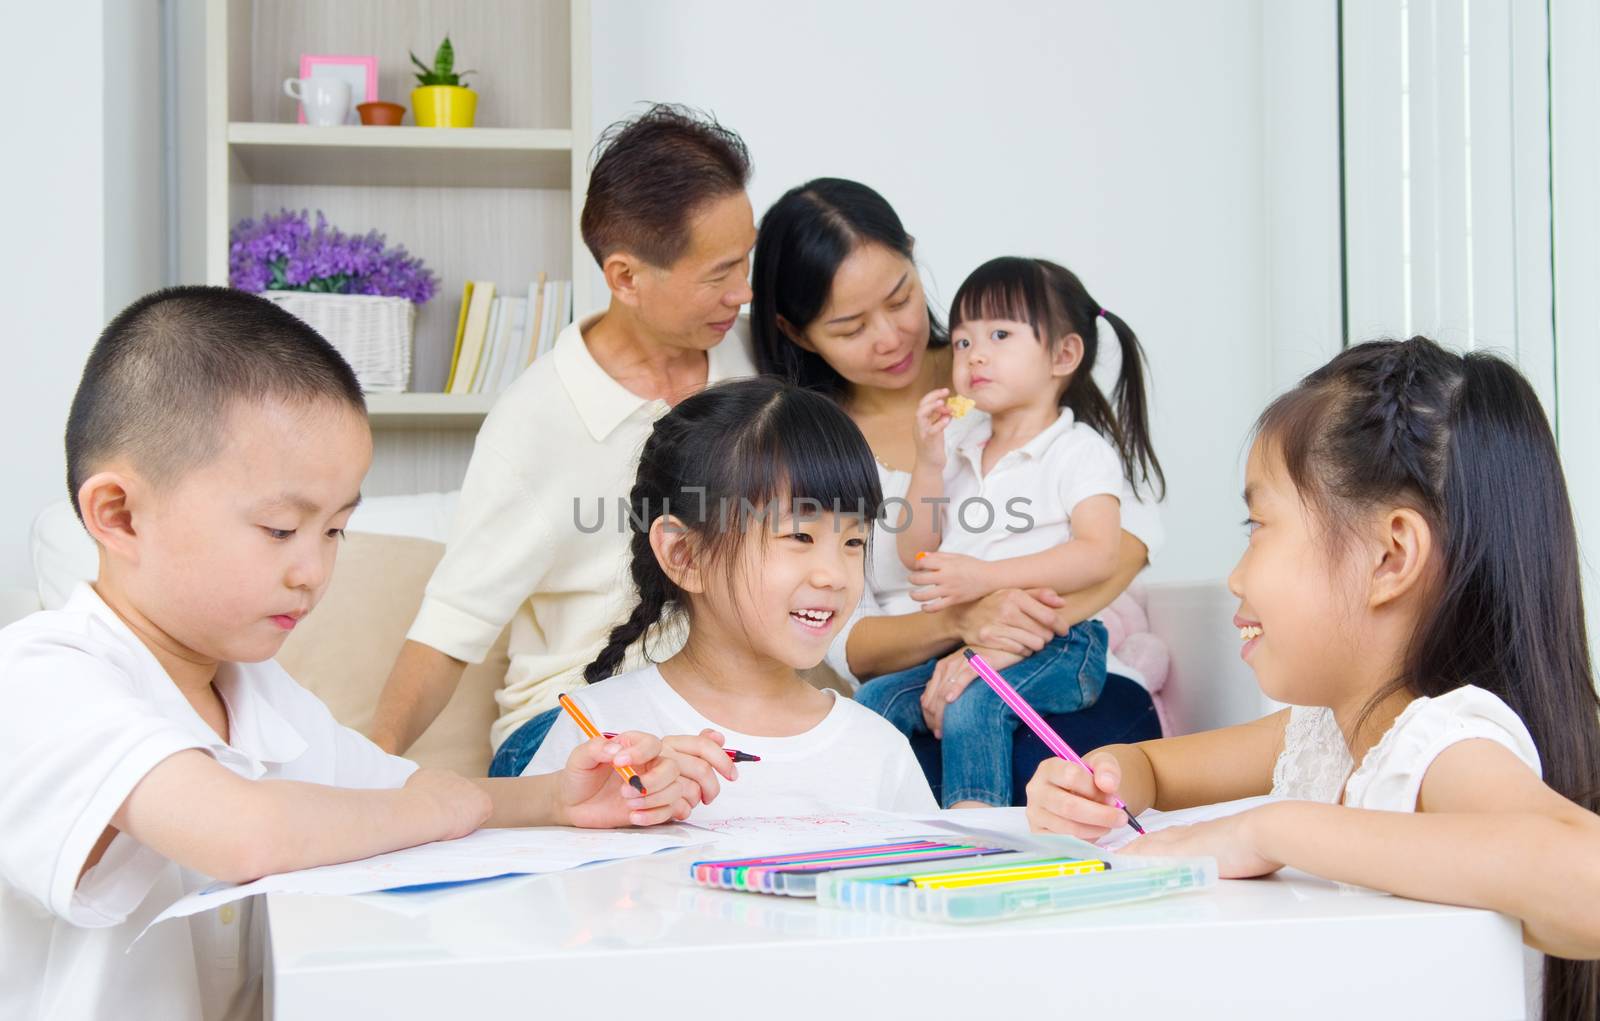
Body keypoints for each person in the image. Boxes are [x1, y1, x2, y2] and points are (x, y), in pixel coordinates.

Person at [0, 288, 718, 1021]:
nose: (313, 570)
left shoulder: (255, 693)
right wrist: (436, 807)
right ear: (119, 514)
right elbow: (246, 832)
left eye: (336, 530)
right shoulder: (40, 677)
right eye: (281, 528)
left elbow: (395, 791)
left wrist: (560, 800)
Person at [1024, 337, 1600, 1020]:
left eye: (1258, 524)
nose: (1235, 575)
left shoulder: (1442, 744)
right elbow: (1152, 766)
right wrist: (1101, 780)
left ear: (1390, 556)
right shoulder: (1330, 732)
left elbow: (1584, 876)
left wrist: (1271, 829)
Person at [370, 105, 759, 762]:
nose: (744, 293)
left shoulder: (755, 370)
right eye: (720, 274)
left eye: (746, 261)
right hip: (572, 725)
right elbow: (449, 628)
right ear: (626, 277)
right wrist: (364, 770)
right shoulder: (535, 422)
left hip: (730, 718)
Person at [749, 179, 1165, 786]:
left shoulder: (1013, 374)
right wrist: (958, 626)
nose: (890, 338)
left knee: (1035, 771)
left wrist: (994, 646)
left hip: (1049, 667)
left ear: (915, 257)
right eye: (849, 327)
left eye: (900, 298)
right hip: (916, 687)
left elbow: (1124, 547)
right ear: (795, 331)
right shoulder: (805, 441)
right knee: (882, 762)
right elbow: (839, 633)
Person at [527, 378, 937, 817]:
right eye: (800, 535)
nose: (835, 575)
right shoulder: (599, 739)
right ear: (685, 555)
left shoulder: (878, 749)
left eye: (854, 542)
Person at [856, 256, 1163, 808]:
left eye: (999, 334)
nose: (976, 355)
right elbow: (916, 553)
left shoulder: (1078, 451)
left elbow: (1097, 554)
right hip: (970, 642)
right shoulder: (960, 446)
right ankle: (867, 831)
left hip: (1064, 647)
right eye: (964, 342)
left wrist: (986, 578)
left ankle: (979, 835)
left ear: (1063, 355)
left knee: (976, 703)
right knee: (875, 700)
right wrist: (927, 462)